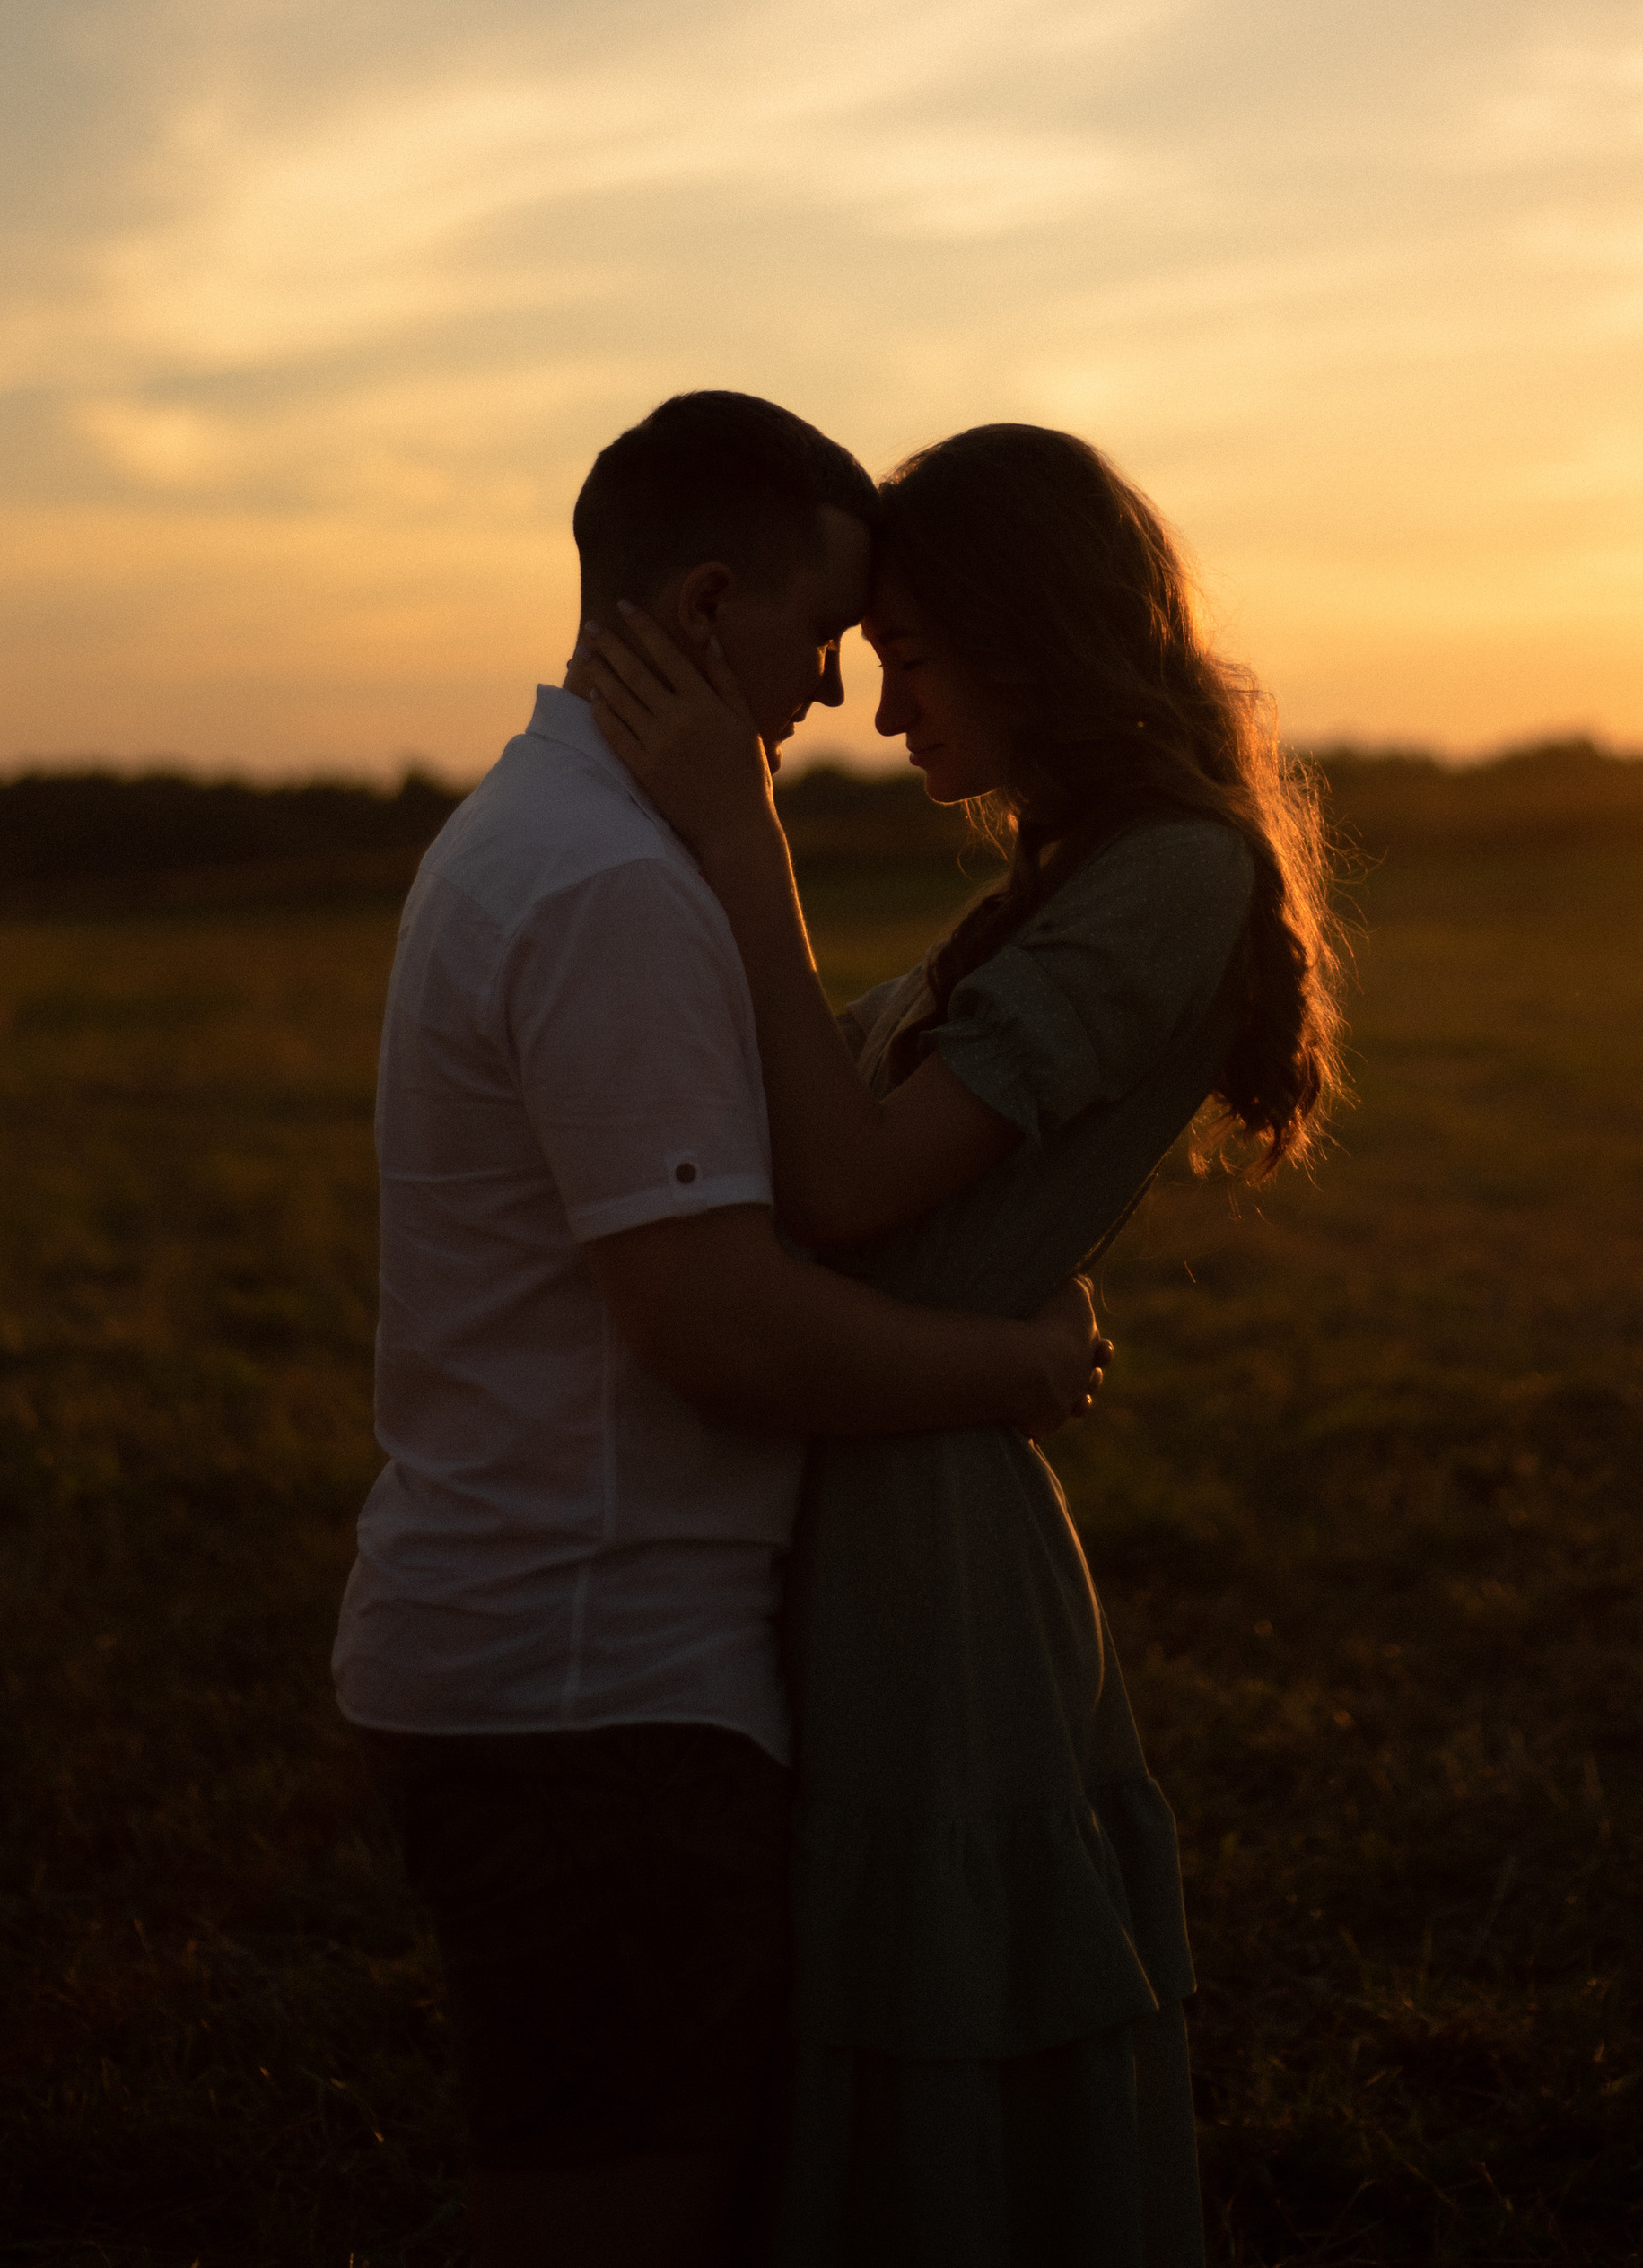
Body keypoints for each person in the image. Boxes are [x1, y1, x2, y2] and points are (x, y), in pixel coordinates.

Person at [333, 394, 1111, 2268]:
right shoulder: (610, 883)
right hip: (593, 1692)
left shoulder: (535, 834)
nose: (837, 692)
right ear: (702, 607)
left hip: (546, 1667)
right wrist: (1015, 1368)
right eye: (821, 635)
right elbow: (718, 1327)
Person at [581, 421, 1343, 2268]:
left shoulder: (1174, 875)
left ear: (1029, 634)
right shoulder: (1058, 880)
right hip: (874, 1498)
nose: (881, 706)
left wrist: (738, 832)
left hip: (933, 1565)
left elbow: (844, 1185)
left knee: (942, 2054)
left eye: (912, 656)